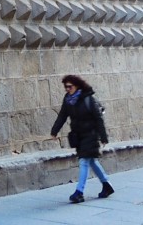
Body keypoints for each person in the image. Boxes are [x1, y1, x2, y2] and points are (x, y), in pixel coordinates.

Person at [50, 74, 114, 203]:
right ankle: (106, 185)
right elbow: (62, 115)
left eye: (70, 86)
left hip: (91, 135)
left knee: (84, 161)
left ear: (77, 86)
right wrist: (54, 130)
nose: (67, 89)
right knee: (92, 162)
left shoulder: (88, 99)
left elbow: (98, 118)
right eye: (65, 87)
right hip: (78, 135)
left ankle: (79, 192)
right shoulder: (68, 99)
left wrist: (103, 137)